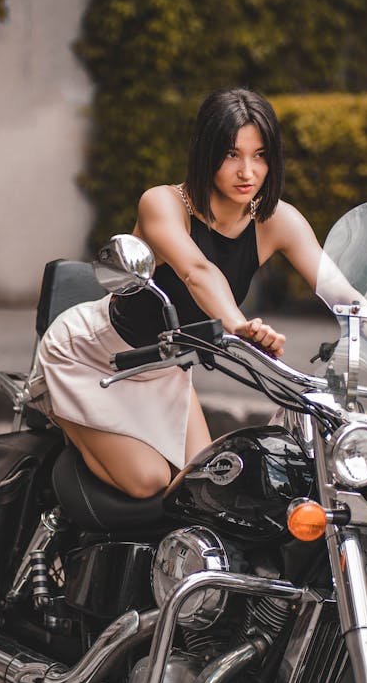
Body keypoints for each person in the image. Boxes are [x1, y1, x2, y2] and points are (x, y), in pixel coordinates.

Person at [35, 87, 326, 498]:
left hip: (165, 369)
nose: (247, 171)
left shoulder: (277, 221)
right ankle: (58, 412)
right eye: (231, 154)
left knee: (202, 490)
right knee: (150, 480)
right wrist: (238, 325)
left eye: (259, 155)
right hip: (92, 357)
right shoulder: (163, 203)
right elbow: (196, 271)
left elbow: (344, 294)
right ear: (205, 151)